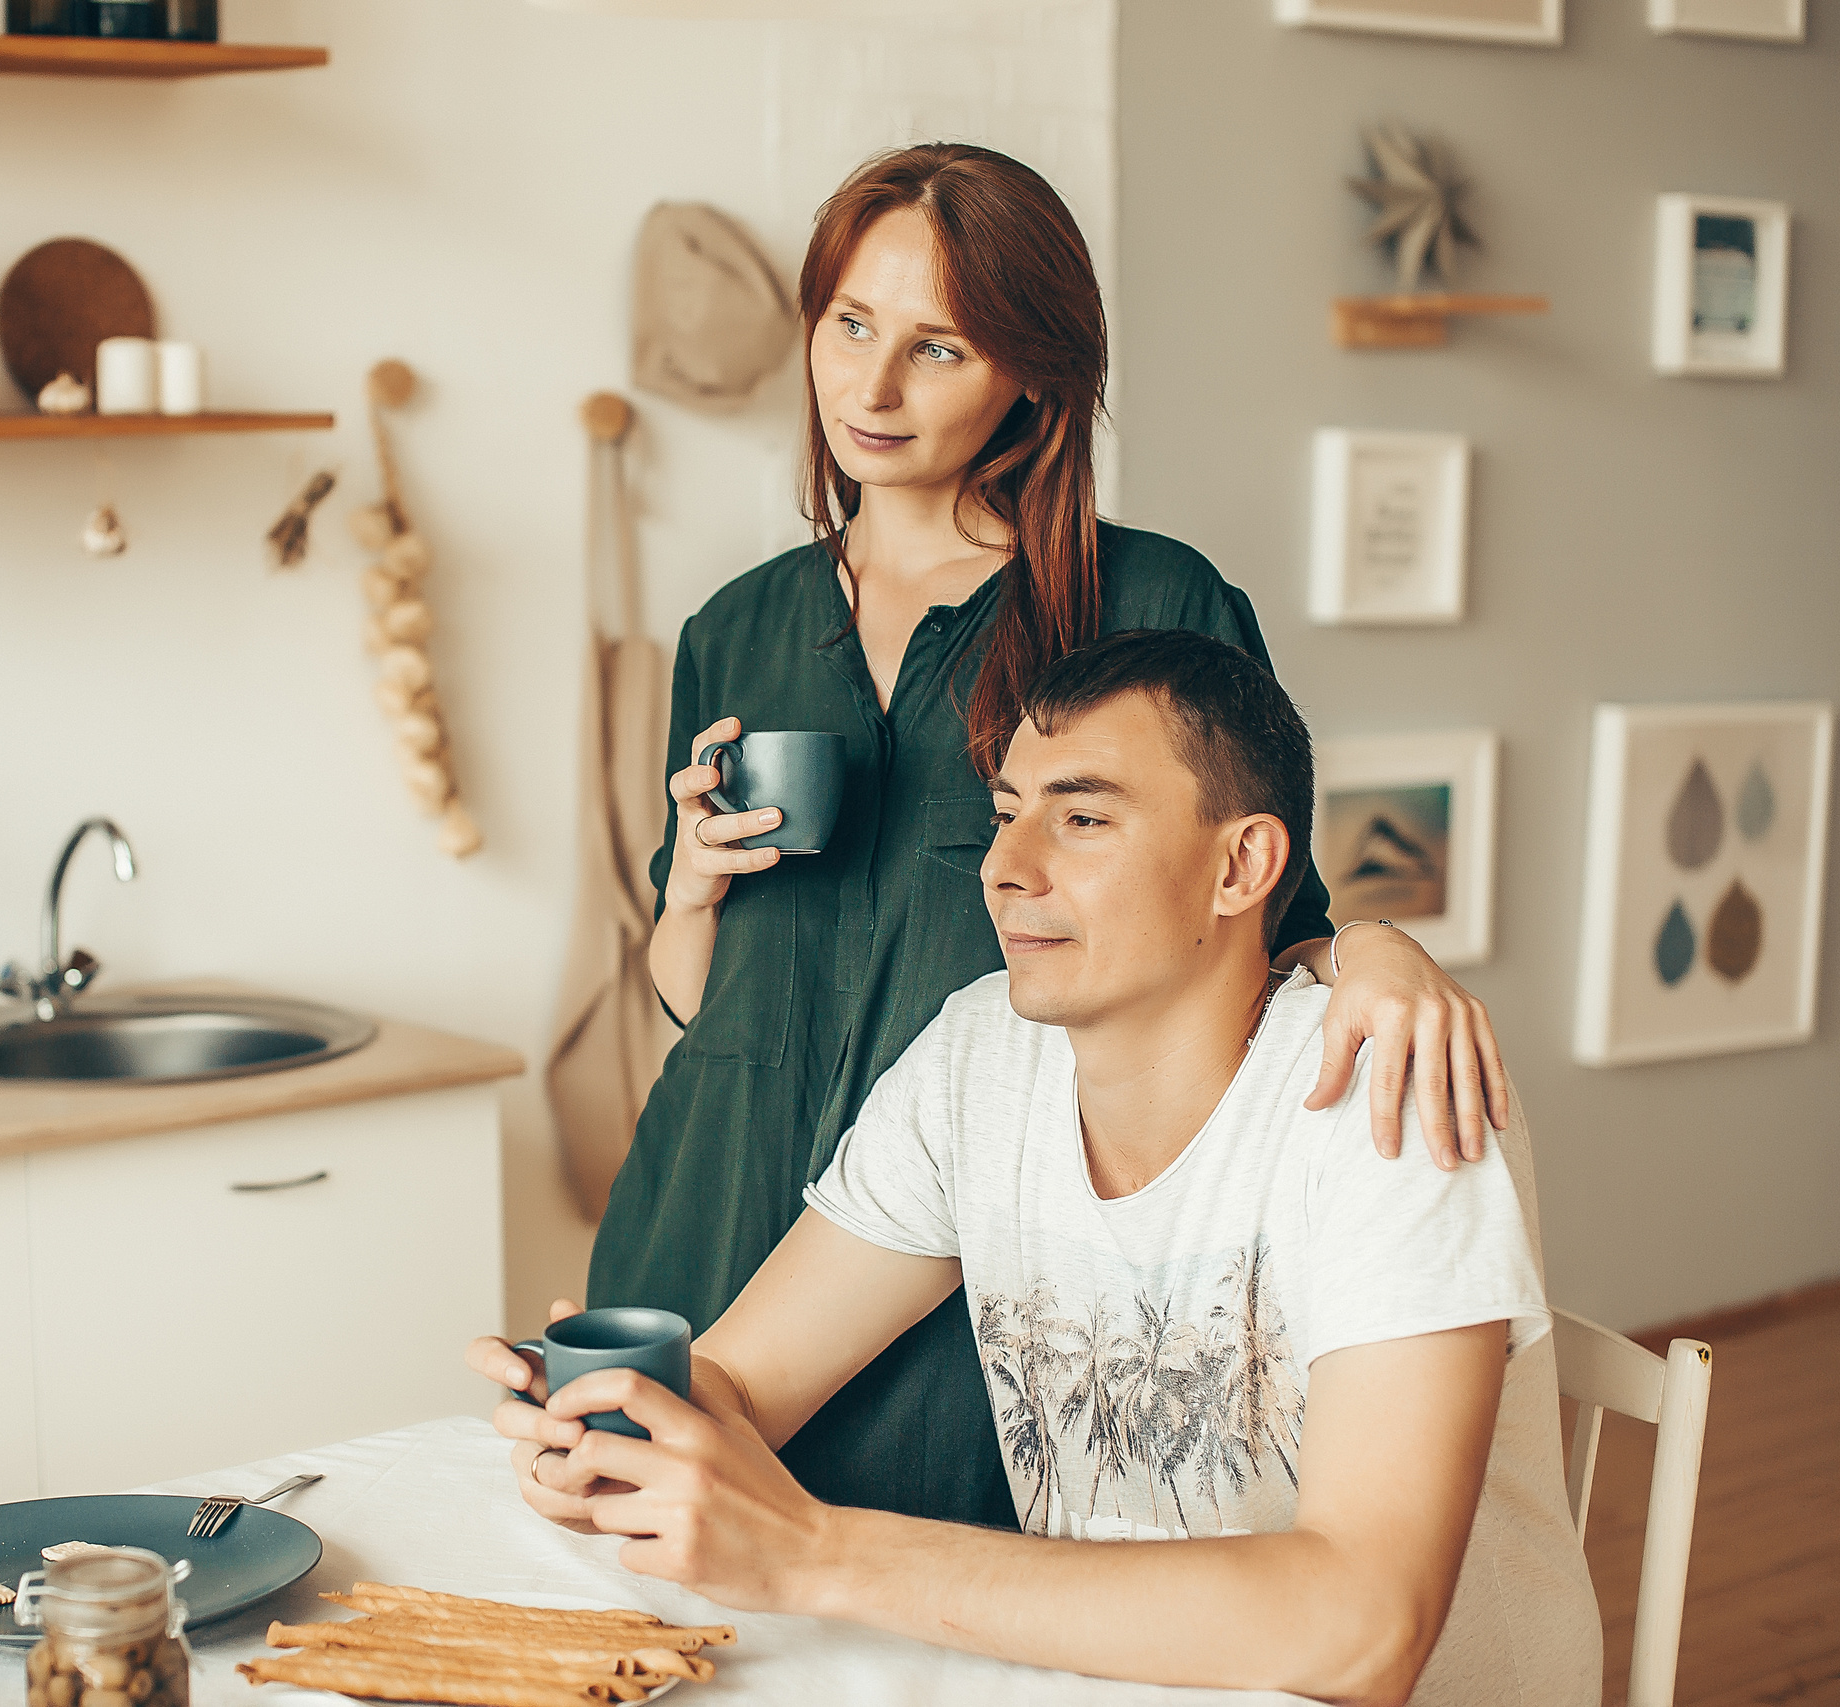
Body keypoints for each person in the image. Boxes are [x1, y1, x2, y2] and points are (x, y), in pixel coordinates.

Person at [588, 141, 1515, 1529]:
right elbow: (689, 992)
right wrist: (701, 896)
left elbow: (1269, 912)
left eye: (938, 346)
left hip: (971, 1279)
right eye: (850, 324)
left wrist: (1381, 947)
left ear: (1033, 370)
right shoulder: (737, 624)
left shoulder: (1145, 600)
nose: (874, 387)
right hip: (708, 1220)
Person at [480, 630, 1600, 1705]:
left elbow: (1365, 1629)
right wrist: (616, 1431)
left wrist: (813, 1553)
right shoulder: (980, 1058)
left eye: (1082, 819)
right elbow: (743, 1387)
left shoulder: (1389, 1086)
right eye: (1007, 815)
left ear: (1241, 863)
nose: (1007, 869)